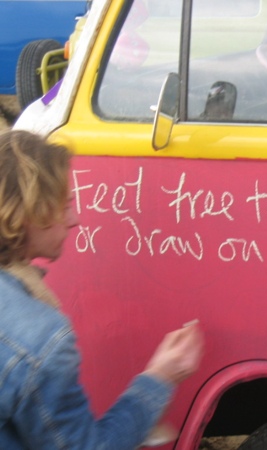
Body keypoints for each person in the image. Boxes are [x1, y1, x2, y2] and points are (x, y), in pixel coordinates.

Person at [0, 129, 203, 449]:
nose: (75, 219)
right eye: (64, 205)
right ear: (28, 214)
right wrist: (162, 376)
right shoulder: (42, 342)